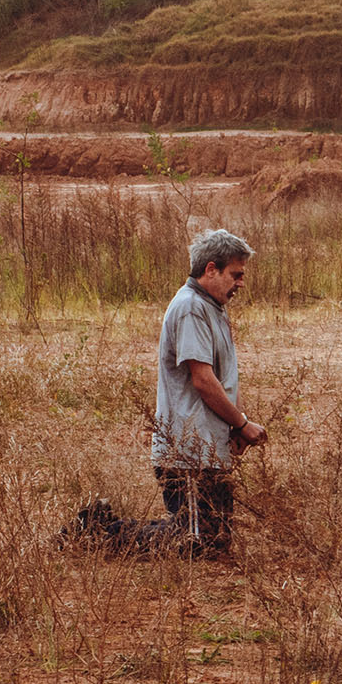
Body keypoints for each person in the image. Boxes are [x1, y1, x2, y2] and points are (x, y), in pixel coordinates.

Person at [150, 228, 267, 553]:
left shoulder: (213, 307)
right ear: (211, 269)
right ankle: (98, 529)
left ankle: (102, 526)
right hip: (185, 453)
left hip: (207, 450)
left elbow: (227, 376)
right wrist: (243, 425)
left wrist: (236, 425)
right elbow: (203, 380)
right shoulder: (190, 308)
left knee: (214, 540)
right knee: (195, 542)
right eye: (236, 274)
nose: (241, 283)